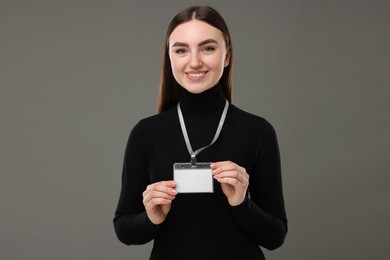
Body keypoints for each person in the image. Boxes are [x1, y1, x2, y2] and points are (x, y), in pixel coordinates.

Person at [114, 6, 287, 260]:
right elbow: (124, 229)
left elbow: (275, 237)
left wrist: (241, 202)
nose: (194, 61)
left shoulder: (258, 131)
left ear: (227, 55)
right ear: (170, 57)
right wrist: (152, 217)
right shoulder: (145, 133)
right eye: (182, 50)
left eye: (208, 48)